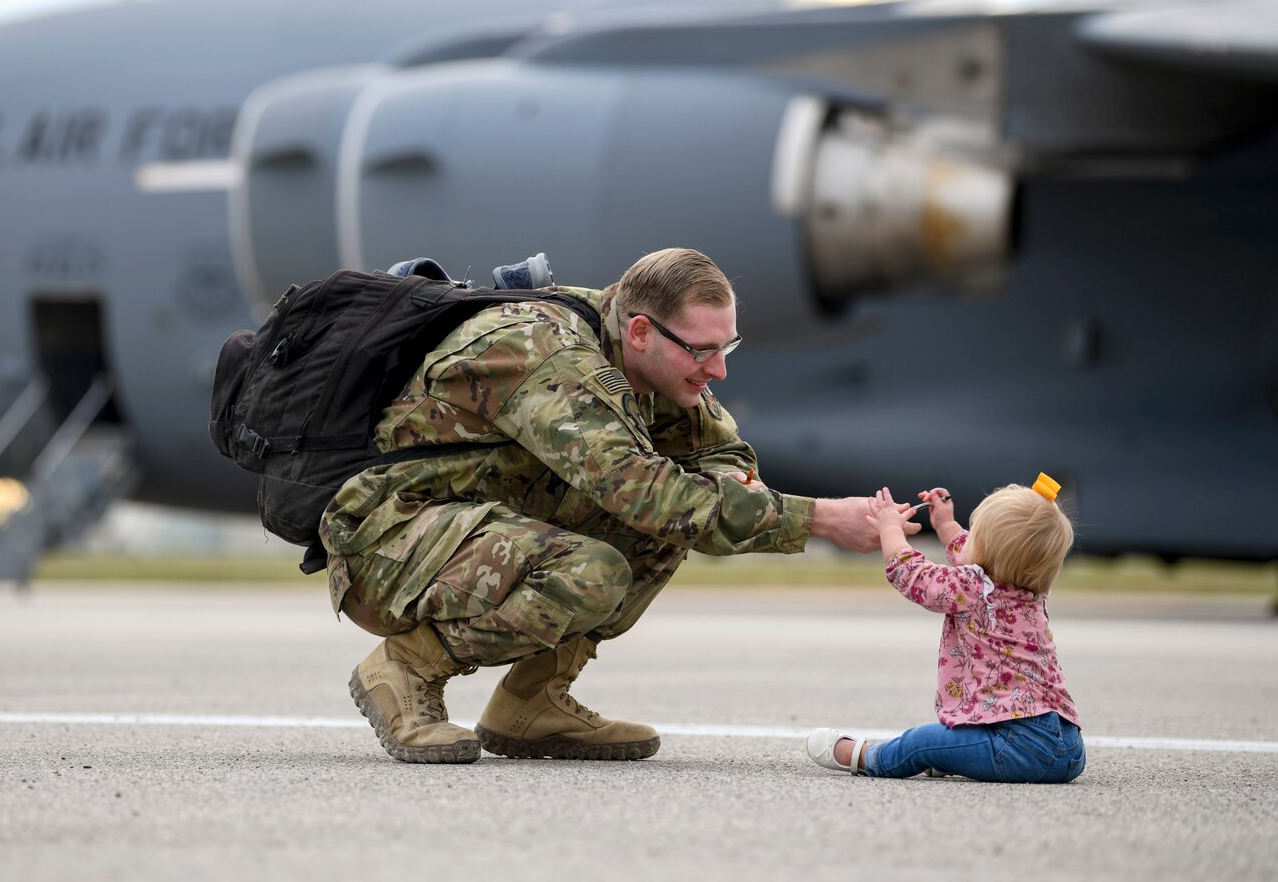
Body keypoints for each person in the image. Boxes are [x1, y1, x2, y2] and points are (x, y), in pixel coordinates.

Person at [323, 248, 910, 764]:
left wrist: (737, 483)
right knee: (599, 564)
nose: (720, 369)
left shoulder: (653, 360)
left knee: (671, 522)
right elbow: (646, 492)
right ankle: (405, 668)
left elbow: (721, 452)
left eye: (727, 346)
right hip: (390, 536)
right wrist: (823, 519)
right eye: (703, 351)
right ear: (640, 333)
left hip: (472, 530)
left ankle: (531, 702)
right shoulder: (550, 356)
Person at [805, 481, 1085, 782]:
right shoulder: (1028, 592)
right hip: (1069, 748)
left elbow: (915, 576)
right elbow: (980, 559)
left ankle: (869, 758)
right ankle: (957, 756)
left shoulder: (976, 588)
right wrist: (946, 524)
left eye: (974, 534)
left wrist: (890, 530)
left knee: (922, 741)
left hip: (1016, 746)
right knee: (956, 735)